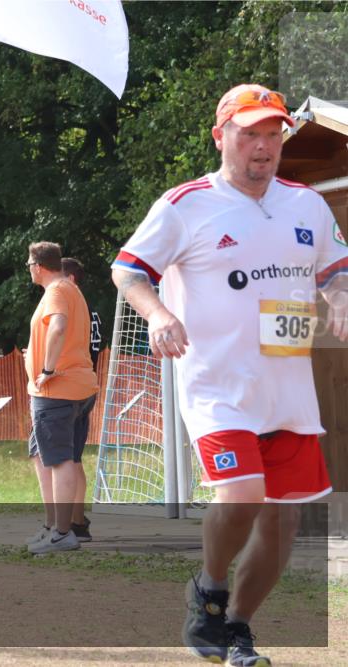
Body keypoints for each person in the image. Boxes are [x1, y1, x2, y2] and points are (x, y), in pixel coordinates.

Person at [111, 84, 348, 666]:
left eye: (273, 134)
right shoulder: (185, 204)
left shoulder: (307, 205)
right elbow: (127, 270)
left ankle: (236, 627)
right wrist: (161, 314)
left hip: (288, 390)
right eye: (250, 135)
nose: (263, 147)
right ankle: (210, 587)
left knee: (285, 520)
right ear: (222, 138)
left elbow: (336, 272)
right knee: (242, 495)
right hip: (217, 386)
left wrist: (340, 298)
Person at [23, 242, 99, 555]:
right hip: (77, 387)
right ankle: (54, 527)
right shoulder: (70, 289)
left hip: (58, 390)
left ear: (38, 265)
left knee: (60, 460)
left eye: (29, 264)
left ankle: (62, 533)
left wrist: (47, 368)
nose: (29, 269)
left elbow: (58, 327)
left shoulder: (56, 290)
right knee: (44, 456)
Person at [58, 256, 101, 541]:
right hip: (86, 387)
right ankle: (76, 519)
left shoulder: (70, 309)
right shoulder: (92, 312)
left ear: (71, 279)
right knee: (74, 458)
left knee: (63, 459)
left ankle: (61, 524)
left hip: (66, 389)